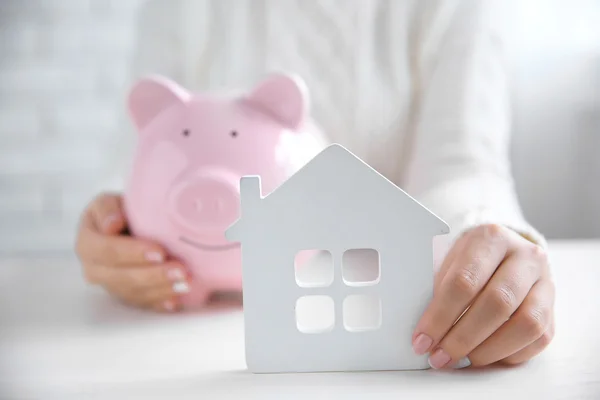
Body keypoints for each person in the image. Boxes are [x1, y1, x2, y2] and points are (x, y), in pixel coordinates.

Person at [74, 0, 554, 369]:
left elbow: (463, 166)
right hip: (179, 339)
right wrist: (116, 224)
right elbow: (141, 143)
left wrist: (483, 234)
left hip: (382, 306)